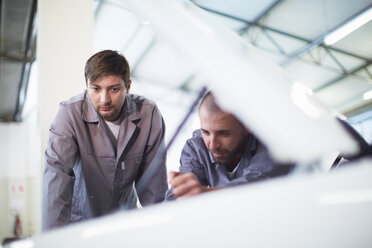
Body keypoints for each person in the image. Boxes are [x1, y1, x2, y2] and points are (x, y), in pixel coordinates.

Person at [43, 50, 167, 230]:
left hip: (125, 225)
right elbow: (56, 179)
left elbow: (153, 187)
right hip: (80, 225)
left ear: (128, 86)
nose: (104, 99)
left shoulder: (149, 114)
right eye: (96, 88)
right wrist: (52, 241)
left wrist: (161, 233)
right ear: (86, 85)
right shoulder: (69, 114)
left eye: (114, 89)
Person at [167, 92, 290, 199]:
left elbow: (256, 186)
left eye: (224, 133)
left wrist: (202, 193)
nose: (213, 144)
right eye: (205, 132)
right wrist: (181, 188)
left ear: (247, 126)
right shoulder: (195, 148)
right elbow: (174, 199)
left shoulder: (270, 143)